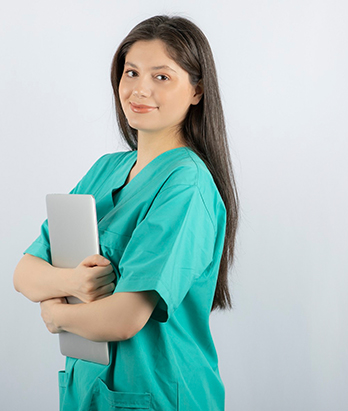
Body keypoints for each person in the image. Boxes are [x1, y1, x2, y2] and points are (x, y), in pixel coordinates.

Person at [13, 15, 239, 411]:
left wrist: (56, 314)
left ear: (197, 90)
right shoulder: (105, 170)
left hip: (161, 394)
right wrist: (75, 283)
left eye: (162, 77)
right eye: (131, 72)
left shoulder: (187, 184)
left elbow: (126, 317)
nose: (140, 89)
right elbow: (24, 273)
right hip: (90, 392)